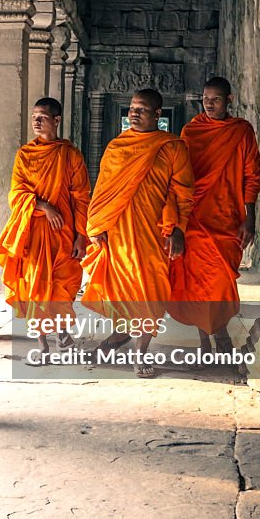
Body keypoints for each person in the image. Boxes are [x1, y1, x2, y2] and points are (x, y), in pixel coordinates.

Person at [82, 89, 193, 377]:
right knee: (121, 290)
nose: (134, 113)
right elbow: (103, 190)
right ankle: (119, 336)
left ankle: (140, 353)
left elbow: (183, 192)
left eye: (142, 109)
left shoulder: (172, 147)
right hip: (118, 231)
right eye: (132, 108)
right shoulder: (117, 147)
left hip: (154, 232)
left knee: (151, 291)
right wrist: (96, 225)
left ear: (158, 114)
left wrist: (178, 228)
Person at [0, 97, 90, 357]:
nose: (36, 121)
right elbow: (16, 193)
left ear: (56, 120)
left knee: (63, 282)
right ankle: (43, 341)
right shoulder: (25, 154)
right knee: (37, 282)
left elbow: (81, 196)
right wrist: (44, 206)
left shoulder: (70, 155)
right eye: (34, 116)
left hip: (64, 230)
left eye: (42, 116)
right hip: (34, 230)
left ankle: (61, 332)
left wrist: (82, 236)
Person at [170, 76, 260, 350]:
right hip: (195, 216)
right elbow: (180, 176)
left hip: (227, 218)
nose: (209, 104)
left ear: (229, 100)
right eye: (206, 99)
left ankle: (219, 331)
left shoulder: (242, 131)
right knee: (196, 281)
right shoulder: (191, 131)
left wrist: (250, 215)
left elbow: (252, 174)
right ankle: (204, 339)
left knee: (220, 279)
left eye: (216, 99)